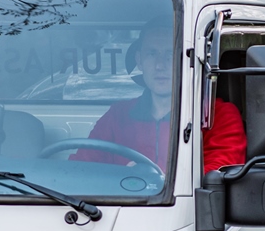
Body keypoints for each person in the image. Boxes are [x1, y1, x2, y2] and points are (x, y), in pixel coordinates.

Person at [74, 21, 246, 174]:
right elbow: (81, 166)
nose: (160, 65)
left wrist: (156, 179)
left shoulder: (219, 115)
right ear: (139, 61)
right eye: (152, 53)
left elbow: (219, 174)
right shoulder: (117, 115)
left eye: (170, 54)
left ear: (186, 61)